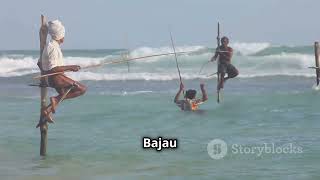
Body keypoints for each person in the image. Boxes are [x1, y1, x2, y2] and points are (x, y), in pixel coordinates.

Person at [38, 20, 86, 124]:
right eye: (63, 34)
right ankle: (54, 100)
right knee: (82, 89)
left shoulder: (53, 45)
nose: (64, 37)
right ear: (60, 36)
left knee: (63, 95)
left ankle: (47, 111)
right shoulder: (53, 48)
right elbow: (53, 69)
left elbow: (40, 63)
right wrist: (70, 67)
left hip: (52, 79)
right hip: (55, 78)